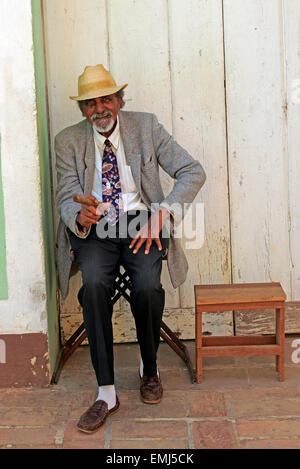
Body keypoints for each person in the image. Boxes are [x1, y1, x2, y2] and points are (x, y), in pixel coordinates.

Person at [55, 64, 206, 433]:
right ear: (82, 110)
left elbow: (192, 170)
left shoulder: (147, 126)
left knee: (147, 286)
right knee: (93, 285)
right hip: (95, 228)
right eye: (90, 104)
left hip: (142, 221)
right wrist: (80, 213)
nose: (100, 109)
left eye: (107, 99)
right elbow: (65, 195)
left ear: (120, 100)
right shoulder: (67, 141)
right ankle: (106, 391)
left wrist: (163, 213)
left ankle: (148, 366)